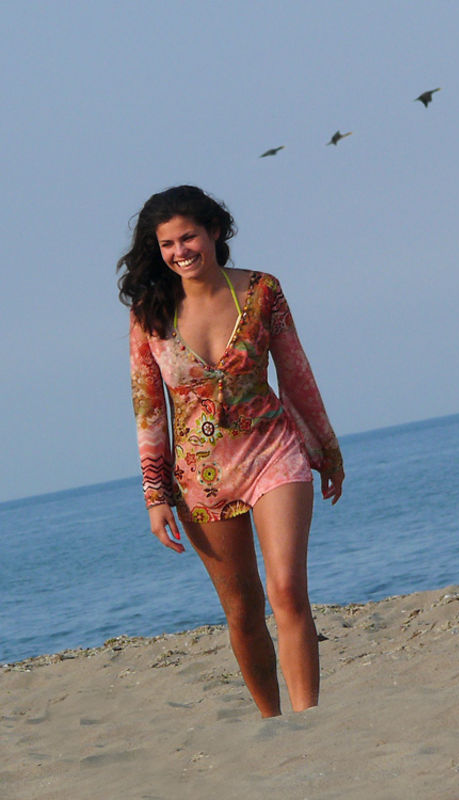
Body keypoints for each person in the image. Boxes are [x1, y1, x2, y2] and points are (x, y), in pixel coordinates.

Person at [117, 185, 344, 717]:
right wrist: (155, 496)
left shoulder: (262, 290)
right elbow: (149, 411)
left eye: (188, 237)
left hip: (273, 451)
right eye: (168, 244)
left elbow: (295, 372)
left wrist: (325, 449)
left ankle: (309, 721)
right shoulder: (150, 315)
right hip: (199, 476)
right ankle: (273, 723)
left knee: (286, 590)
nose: (180, 251)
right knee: (242, 609)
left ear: (214, 231)